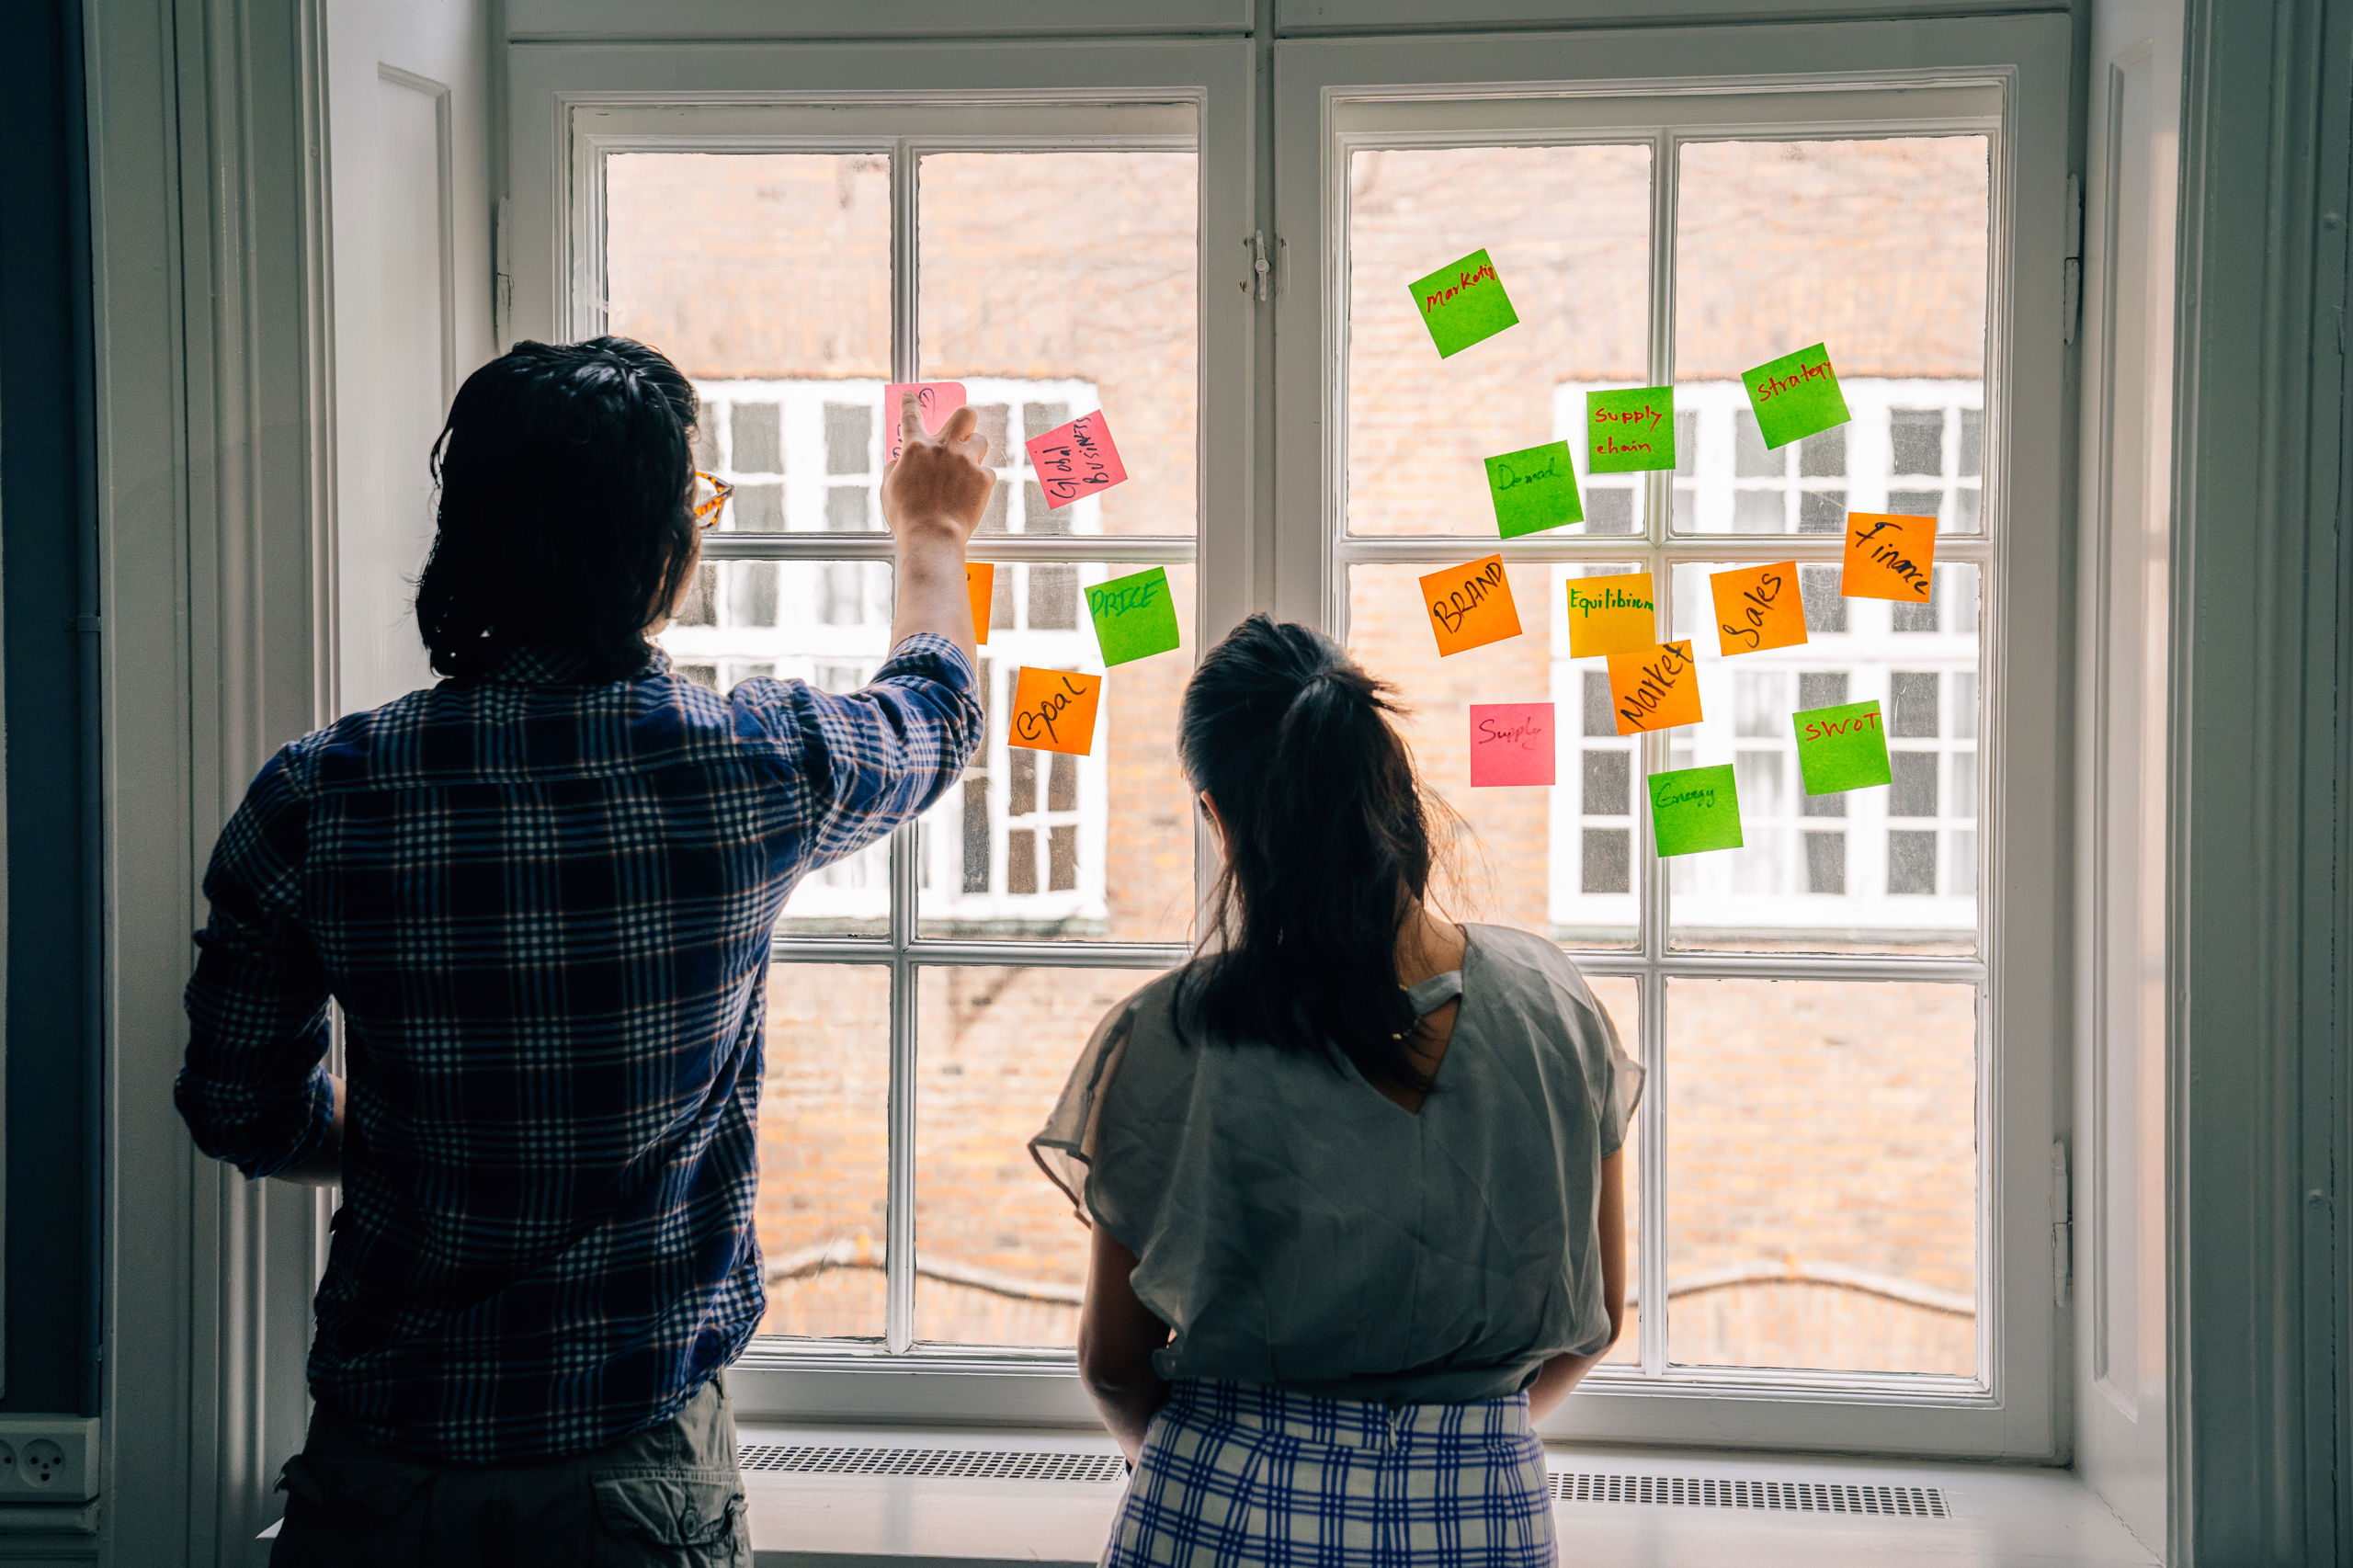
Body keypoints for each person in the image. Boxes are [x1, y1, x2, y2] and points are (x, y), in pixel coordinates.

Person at [175, 338, 995, 1566]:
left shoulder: (319, 796)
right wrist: (931, 529)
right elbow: (936, 708)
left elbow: (239, 1106)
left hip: (385, 1471)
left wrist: (408, 1136)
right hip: (633, 1480)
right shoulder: (751, 765)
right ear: (662, 549)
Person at [1032, 615, 1640, 1568]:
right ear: (1390, 789)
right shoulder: (1555, 1002)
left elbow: (1115, 1364)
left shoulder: (1173, 1033)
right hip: (1480, 1515)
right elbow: (1597, 1313)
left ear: (1222, 820)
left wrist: (1239, 1464)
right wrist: (1453, 1436)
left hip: (1219, 1504)